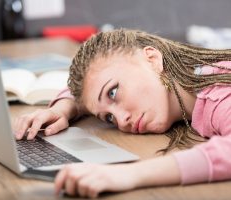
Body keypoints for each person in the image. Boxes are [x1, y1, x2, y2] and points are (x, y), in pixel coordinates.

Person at [14, 29, 231, 198]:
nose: (121, 119)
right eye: (108, 117)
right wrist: (62, 108)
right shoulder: (195, 77)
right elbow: (94, 87)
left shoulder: (220, 94)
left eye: (114, 92)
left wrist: (129, 174)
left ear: (152, 59)